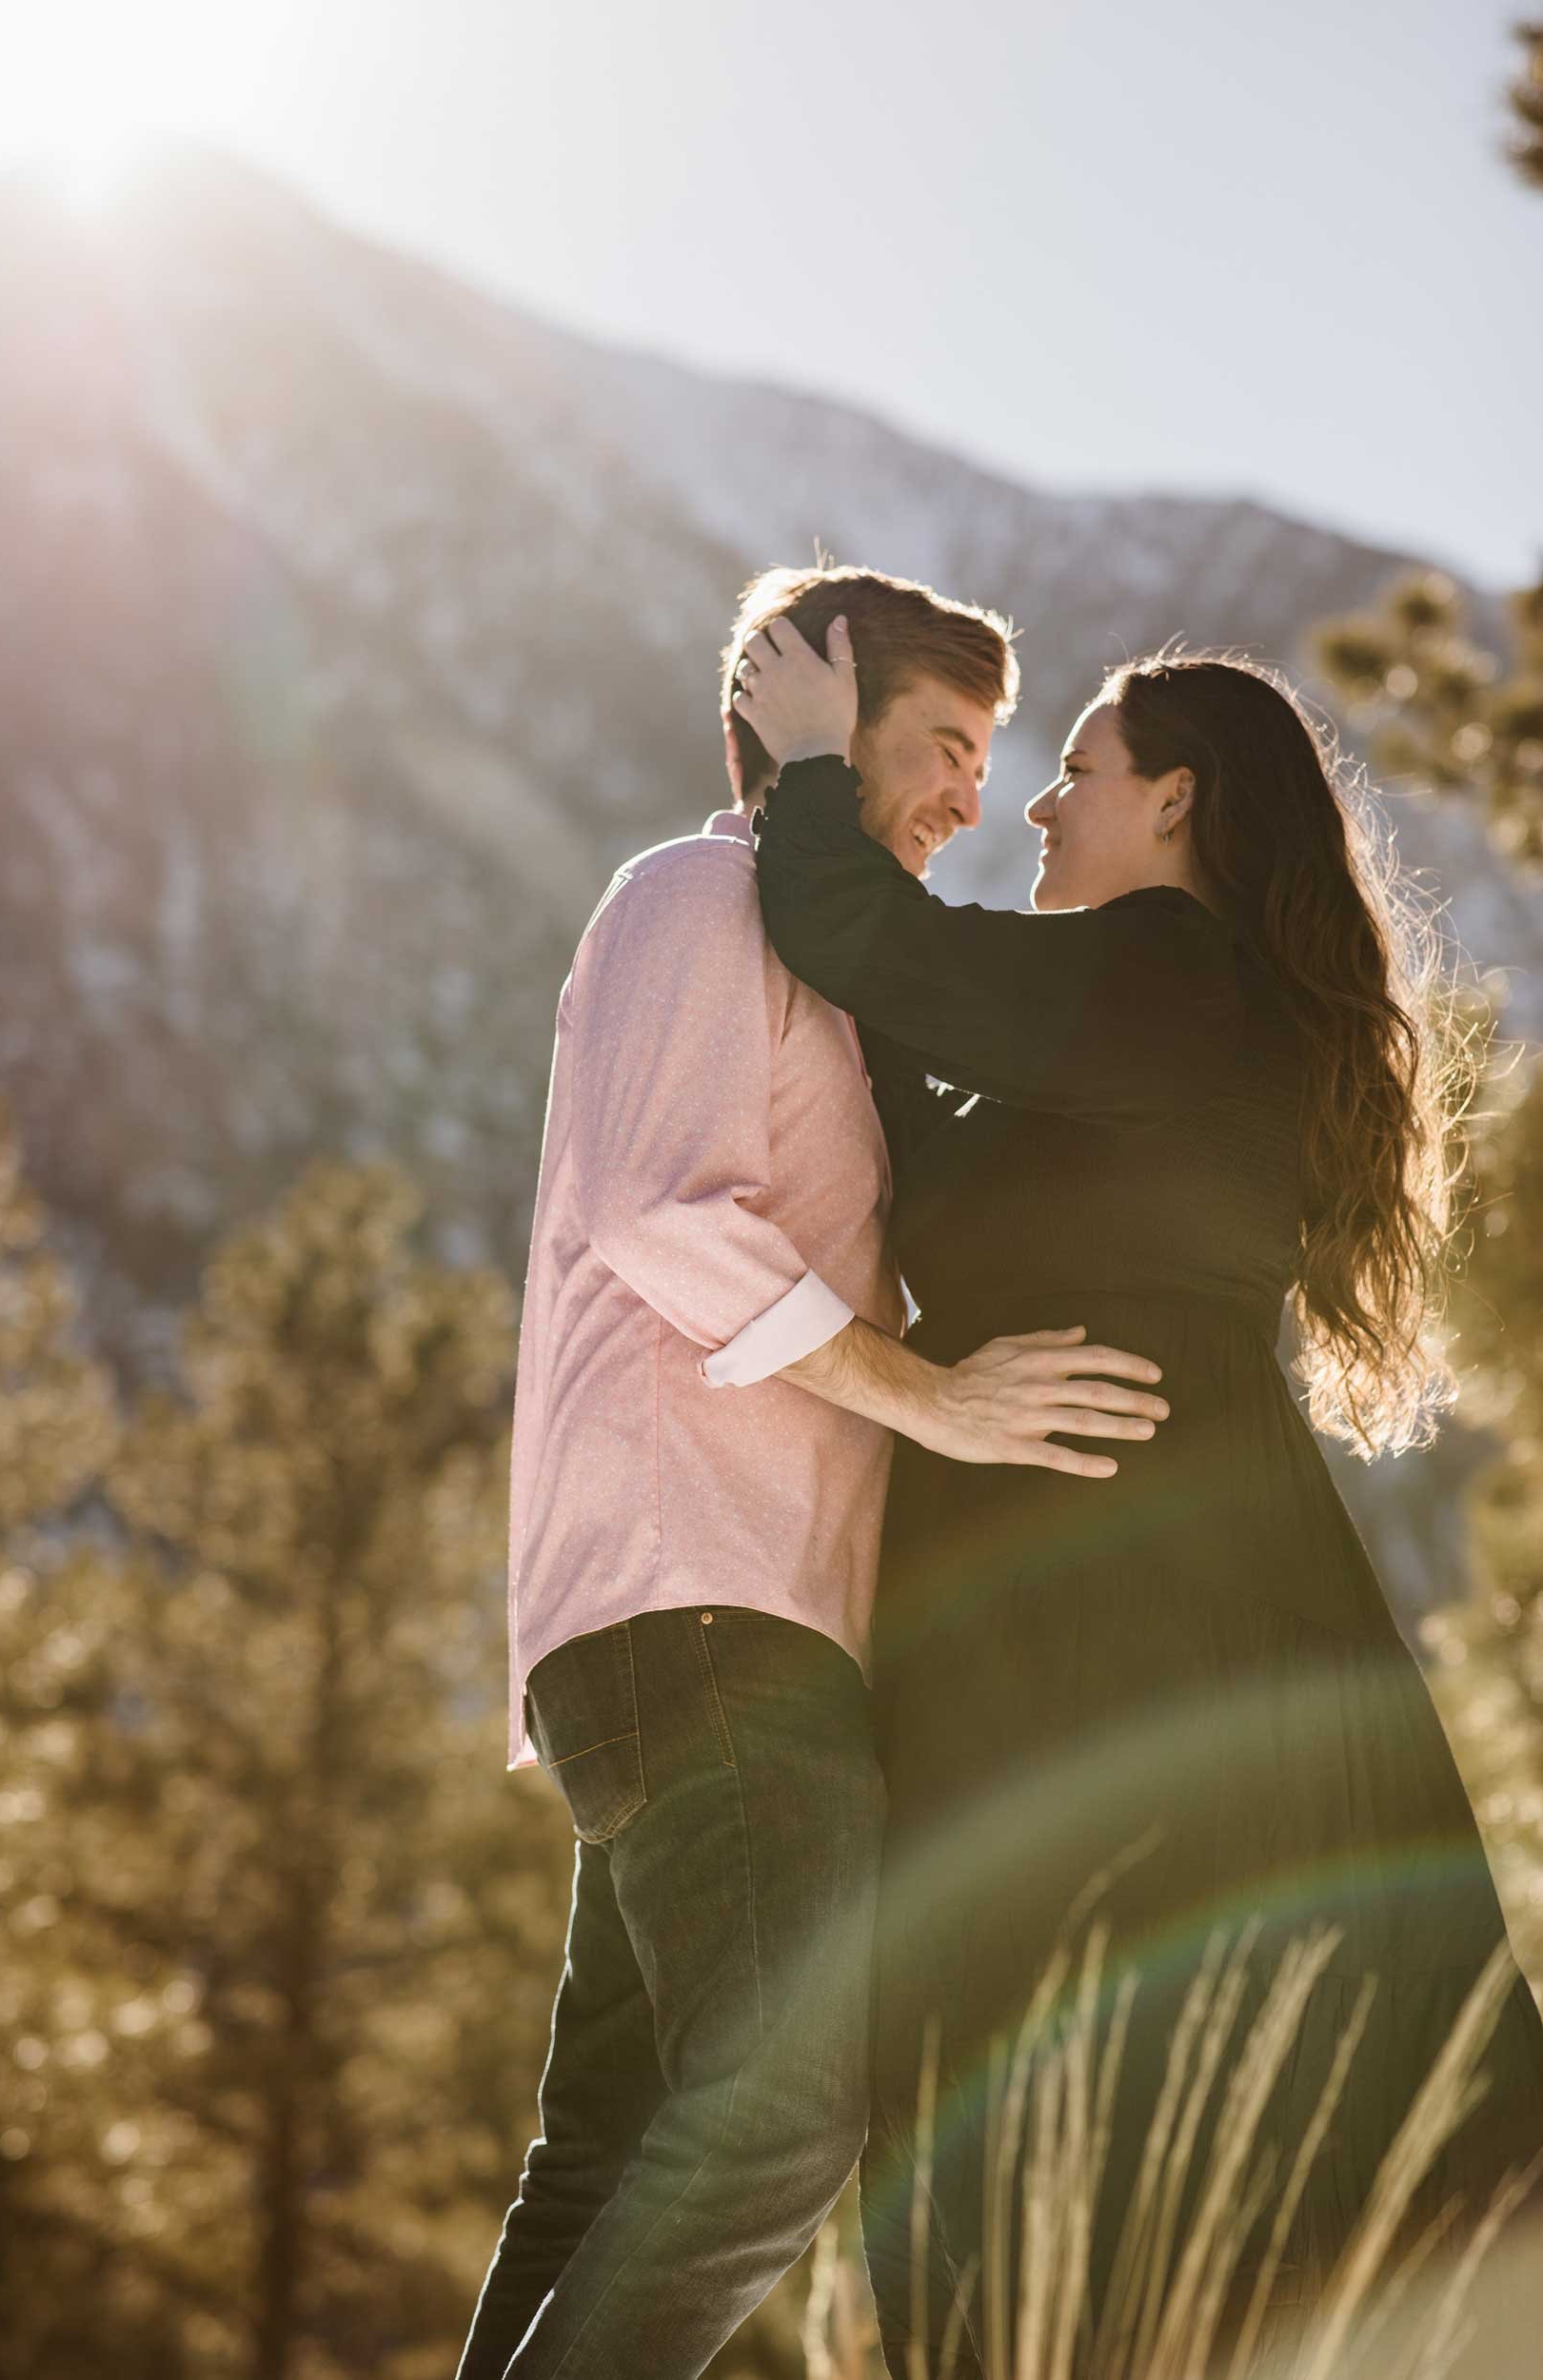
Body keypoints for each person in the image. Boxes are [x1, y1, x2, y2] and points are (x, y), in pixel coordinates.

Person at [738, 620, 1543, 2375]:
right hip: (1072, 1546)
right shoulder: (1120, 1018)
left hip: (1129, 1567)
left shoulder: (1170, 975)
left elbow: (866, 945)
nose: (1038, 814)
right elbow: (892, 1066)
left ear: (1175, 803)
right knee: (1062, 2026)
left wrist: (812, 760)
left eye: (1079, 772)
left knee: (1084, 2012)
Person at [456, 566, 1172, 2380]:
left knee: (607, 2154)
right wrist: (926, 1396)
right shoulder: (698, 894)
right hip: (710, 1614)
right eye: (941, 742)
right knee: (777, 2123)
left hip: (700, 1623)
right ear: (809, 725)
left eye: (992, 757)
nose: (967, 796)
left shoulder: (822, 976)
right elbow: (651, 1212)